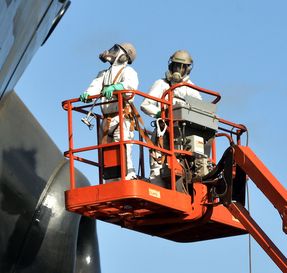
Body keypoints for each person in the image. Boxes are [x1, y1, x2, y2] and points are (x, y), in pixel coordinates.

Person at [80, 43, 138, 180]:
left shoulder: (128, 71)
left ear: (124, 56)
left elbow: (130, 87)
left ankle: (129, 177)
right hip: (107, 120)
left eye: (116, 50)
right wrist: (88, 95)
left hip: (122, 117)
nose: (112, 52)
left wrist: (116, 87)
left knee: (123, 150)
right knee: (106, 153)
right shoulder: (104, 74)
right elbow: (94, 87)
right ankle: (111, 181)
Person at [140, 50, 202, 180]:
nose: (178, 70)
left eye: (182, 67)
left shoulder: (191, 88)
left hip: (183, 135)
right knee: (158, 166)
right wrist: (159, 113)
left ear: (187, 70)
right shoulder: (161, 84)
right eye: (176, 66)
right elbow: (145, 104)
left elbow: (201, 110)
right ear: (171, 66)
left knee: (184, 167)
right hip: (163, 132)